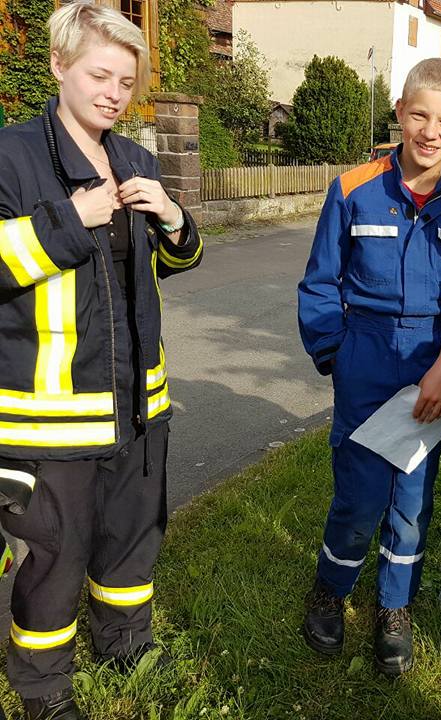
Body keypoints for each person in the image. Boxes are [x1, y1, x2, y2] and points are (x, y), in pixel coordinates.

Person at [0, 3, 202, 717]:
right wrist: (66, 220)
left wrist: (175, 220)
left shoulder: (137, 159)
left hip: (137, 406)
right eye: (99, 74)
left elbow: (171, 263)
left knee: (130, 546)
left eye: (126, 79)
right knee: (52, 563)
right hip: (50, 418)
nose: (115, 92)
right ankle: (45, 693)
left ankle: (125, 645)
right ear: (58, 66)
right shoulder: (11, 155)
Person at [297, 58, 441, 676]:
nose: (429, 132)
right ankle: (332, 589)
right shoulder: (353, 188)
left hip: (430, 365)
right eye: (418, 115)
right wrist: (336, 355)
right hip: (366, 353)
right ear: (399, 115)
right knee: (358, 495)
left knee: (411, 499)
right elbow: (321, 280)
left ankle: (394, 607)